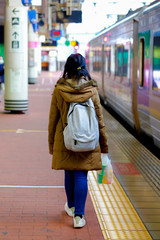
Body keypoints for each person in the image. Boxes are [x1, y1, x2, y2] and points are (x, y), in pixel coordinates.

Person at [48, 53, 108, 228]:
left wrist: (52, 144)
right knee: (81, 175)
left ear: (67, 68)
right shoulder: (92, 90)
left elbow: (53, 119)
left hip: (66, 139)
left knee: (69, 172)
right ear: (84, 68)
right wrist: (104, 146)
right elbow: (100, 120)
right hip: (88, 140)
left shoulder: (59, 90)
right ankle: (78, 217)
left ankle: (71, 206)